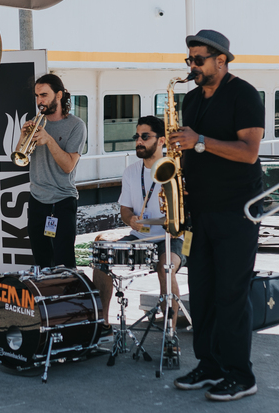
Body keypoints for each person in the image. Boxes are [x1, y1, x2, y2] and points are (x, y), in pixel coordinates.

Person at [170, 30, 264, 402]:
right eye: (189, 60)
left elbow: (249, 152)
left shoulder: (244, 94)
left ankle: (241, 375)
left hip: (236, 211)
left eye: (198, 60)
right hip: (200, 211)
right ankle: (209, 365)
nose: (191, 66)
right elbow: (189, 149)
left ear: (221, 60)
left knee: (231, 295)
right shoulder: (191, 99)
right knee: (203, 293)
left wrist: (200, 141)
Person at [92, 116, 185, 332]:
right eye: (137, 136)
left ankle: (170, 335)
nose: (139, 141)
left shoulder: (176, 170)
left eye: (145, 136)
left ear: (161, 140)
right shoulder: (131, 171)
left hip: (174, 237)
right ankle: (103, 325)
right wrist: (130, 219)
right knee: (102, 255)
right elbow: (125, 210)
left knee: (165, 266)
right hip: (140, 237)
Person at [19, 74, 86, 269]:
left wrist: (48, 139)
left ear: (59, 95)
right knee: (41, 262)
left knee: (64, 262)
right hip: (37, 200)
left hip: (62, 201)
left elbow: (68, 166)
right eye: (37, 96)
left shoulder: (76, 125)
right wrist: (23, 136)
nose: (39, 101)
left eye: (44, 95)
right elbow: (20, 157)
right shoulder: (36, 121)